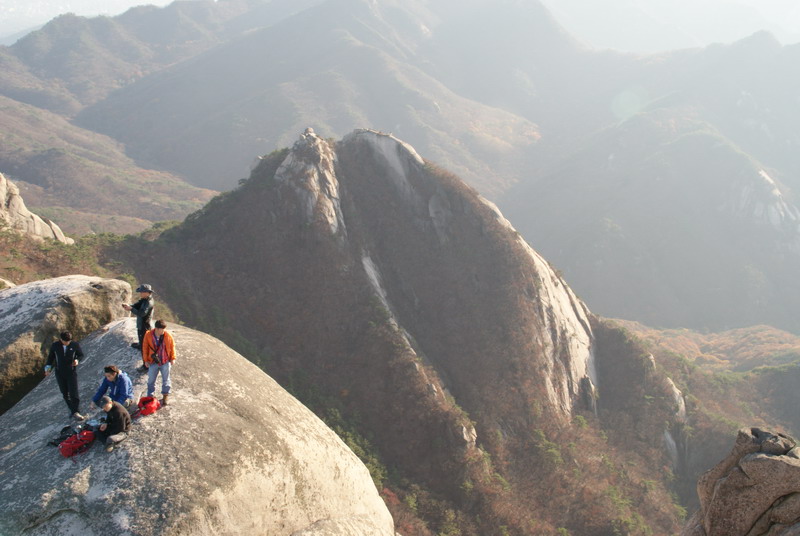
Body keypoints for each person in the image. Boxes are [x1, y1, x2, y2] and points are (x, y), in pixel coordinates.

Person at [44, 330, 85, 420]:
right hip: (60, 372)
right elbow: (50, 358)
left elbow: (81, 355)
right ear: (61, 339)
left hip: (71, 372)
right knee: (65, 393)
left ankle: (76, 411)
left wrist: (77, 360)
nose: (67, 343)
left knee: (73, 392)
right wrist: (47, 369)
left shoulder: (74, 345)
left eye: (69, 341)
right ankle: (72, 410)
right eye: (65, 341)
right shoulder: (55, 346)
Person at [142, 319, 176, 406]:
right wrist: (145, 360)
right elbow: (145, 348)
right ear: (156, 328)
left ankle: (165, 396)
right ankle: (150, 396)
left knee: (166, 380)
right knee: (151, 380)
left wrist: (173, 358)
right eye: (162, 329)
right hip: (153, 362)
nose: (163, 331)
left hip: (165, 361)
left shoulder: (167, 335)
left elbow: (172, 346)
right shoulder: (148, 335)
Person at [123, 283, 154, 371]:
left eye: (142, 292)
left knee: (145, 346)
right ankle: (140, 344)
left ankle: (146, 365)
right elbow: (137, 305)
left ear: (147, 292)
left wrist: (131, 309)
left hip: (145, 326)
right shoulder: (144, 300)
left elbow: (142, 313)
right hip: (141, 324)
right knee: (142, 341)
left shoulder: (149, 302)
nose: (140, 294)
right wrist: (130, 306)